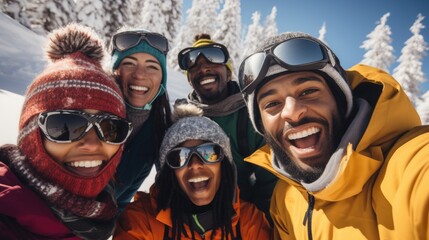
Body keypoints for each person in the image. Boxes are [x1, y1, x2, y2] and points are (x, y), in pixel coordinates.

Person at [238, 31, 429, 239]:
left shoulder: (411, 166)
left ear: (340, 99)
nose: (292, 112)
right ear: (262, 126)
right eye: (272, 104)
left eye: (308, 91)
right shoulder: (285, 198)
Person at [0, 23, 132, 239]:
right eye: (66, 126)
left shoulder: (99, 217)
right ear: (30, 136)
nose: (91, 144)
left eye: (110, 128)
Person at [113, 102, 272, 239]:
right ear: (169, 172)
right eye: (180, 156)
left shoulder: (249, 221)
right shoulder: (141, 220)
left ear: (224, 164)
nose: (195, 165)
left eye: (209, 152)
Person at [177, 34, 278, 222]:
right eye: (195, 66)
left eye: (213, 62)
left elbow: (269, 184)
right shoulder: (181, 120)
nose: (204, 68)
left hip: (239, 218)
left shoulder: (250, 117)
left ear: (228, 72)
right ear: (190, 80)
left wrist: (252, 226)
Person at [109, 27, 172, 211]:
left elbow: (119, 204)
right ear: (114, 70)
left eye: (152, 66)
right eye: (129, 63)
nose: (140, 75)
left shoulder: (154, 136)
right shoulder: (87, 111)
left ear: (162, 80)